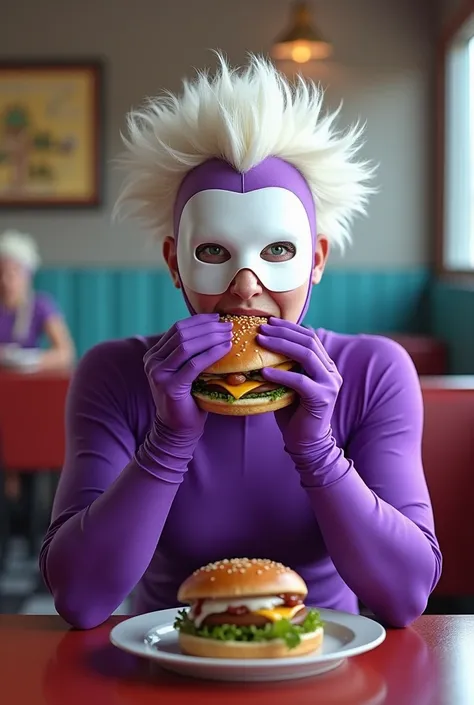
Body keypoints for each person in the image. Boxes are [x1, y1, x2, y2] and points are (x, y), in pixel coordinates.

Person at [39, 54, 442, 630]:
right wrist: (168, 441)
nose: (246, 287)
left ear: (317, 259)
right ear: (174, 261)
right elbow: (79, 597)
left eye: (278, 251)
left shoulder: (374, 370)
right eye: (213, 253)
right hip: (166, 655)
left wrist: (319, 452)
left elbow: (405, 596)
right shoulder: (117, 373)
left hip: (328, 658)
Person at [0, 230, 75, 371]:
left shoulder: (41, 305)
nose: (5, 281)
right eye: (0, 273)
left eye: (13, 273)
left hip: (29, 384)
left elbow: (65, 354)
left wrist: (29, 360)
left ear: (27, 274)